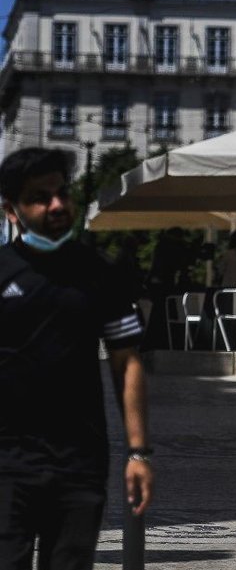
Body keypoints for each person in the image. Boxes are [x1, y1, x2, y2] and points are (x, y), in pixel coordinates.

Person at [0, 147, 153, 569]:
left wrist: (139, 453)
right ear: (12, 210)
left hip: (79, 464)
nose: (56, 205)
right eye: (40, 196)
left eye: (61, 193)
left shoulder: (99, 273)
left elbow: (127, 362)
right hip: (7, 463)